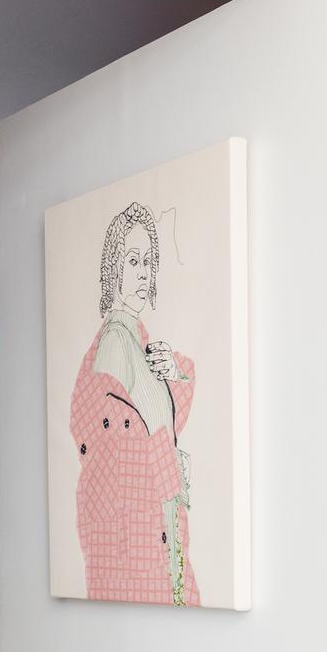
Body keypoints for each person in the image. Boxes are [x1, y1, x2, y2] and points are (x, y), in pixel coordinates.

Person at [69, 200, 200, 606]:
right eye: (132, 260)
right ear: (114, 269)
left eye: (148, 262)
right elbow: (112, 459)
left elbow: (166, 422)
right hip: (140, 543)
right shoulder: (114, 345)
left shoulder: (141, 343)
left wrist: (174, 369)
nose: (143, 273)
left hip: (163, 531)